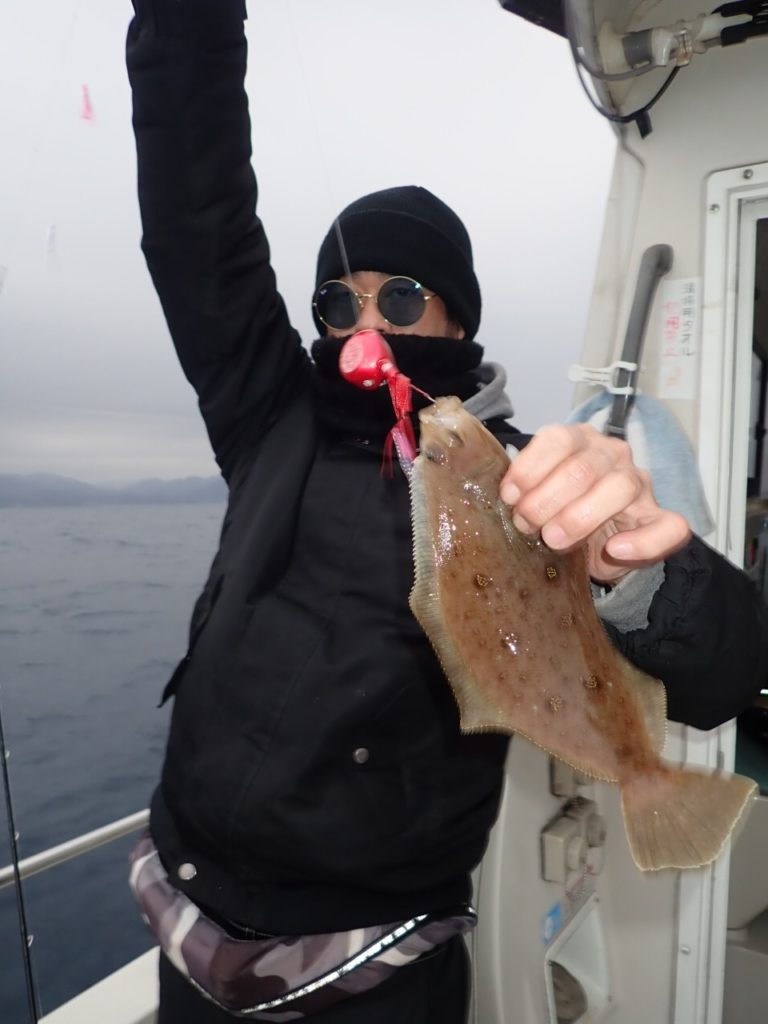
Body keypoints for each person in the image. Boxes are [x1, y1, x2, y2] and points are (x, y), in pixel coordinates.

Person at [125, 2, 768, 1022]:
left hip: (379, 966)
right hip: (187, 919)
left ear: (456, 315)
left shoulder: (527, 477)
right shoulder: (270, 418)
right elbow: (194, 221)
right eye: (337, 302)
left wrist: (644, 573)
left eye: (399, 296)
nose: (364, 322)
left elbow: (728, 673)